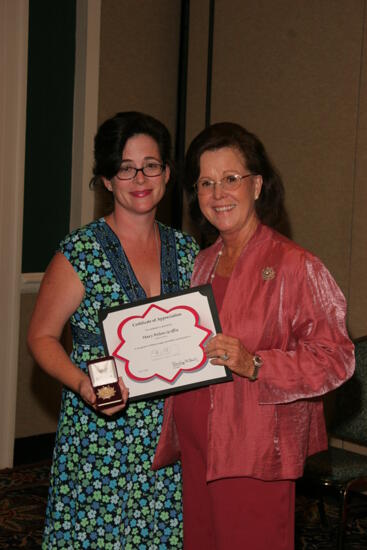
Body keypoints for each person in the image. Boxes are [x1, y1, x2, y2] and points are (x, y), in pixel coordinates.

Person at [152, 122, 355, 550]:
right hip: (196, 441)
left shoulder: (295, 265)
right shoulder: (203, 262)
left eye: (230, 179)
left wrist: (257, 363)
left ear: (257, 185)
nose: (217, 193)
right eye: (206, 183)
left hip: (253, 448)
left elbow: (336, 357)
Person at [27, 111, 199, 549]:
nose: (139, 177)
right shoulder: (79, 252)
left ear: (166, 172)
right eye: (125, 168)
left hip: (169, 439)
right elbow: (41, 337)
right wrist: (84, 387)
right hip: (101, 436)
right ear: (106, 179)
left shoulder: (186, 249)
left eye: (151, 165)